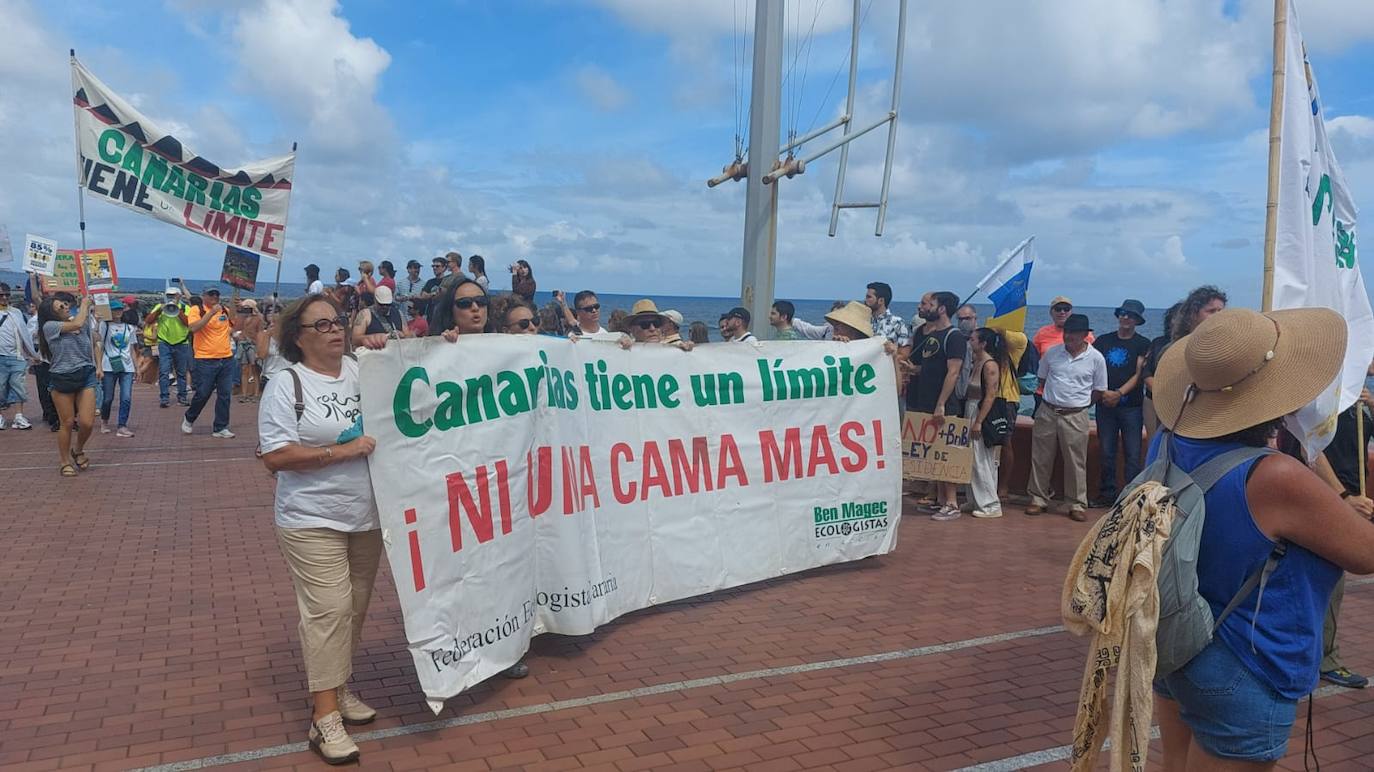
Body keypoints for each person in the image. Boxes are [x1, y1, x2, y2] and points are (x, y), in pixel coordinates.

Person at [1147, 306, 1374, 768]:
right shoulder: (1273, 475)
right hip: (1244, 658)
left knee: (1173, 761)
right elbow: (1365, 553)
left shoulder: (1167, 442)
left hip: (1175, 635)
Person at [258, 294, 393, 764]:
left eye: (338, 322)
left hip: (366, 516)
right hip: (310, 518)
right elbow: (274, 457)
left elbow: (422, 373)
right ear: (298, 336)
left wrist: (385, 345)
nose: (335, 330)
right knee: (329, 610)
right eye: (322, 325)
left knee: (353, 610)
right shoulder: (286, 384)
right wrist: (343, 450)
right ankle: (324, 718)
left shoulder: (365, 369)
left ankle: (339, 689)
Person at [1026, 313, 1106, 521]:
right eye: (1067, 331)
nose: (1069, 336)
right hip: (1048, 410)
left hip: (1075, 414)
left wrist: (1081, 405)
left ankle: (1076, 503)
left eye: (1074, 332)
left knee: (1076, 460)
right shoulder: (1052, 354)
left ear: (1084, 335)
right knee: (1041, 457)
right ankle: (1038, 498)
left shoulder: (1096, 358)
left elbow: (1099, 389)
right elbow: (1041, 378)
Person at [908, 291, 967, 520]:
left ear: (941, 308)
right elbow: (929, 367)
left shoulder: (954, 337)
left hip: (944, 405)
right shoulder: (927, 334)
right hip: (924, 400)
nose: (924, 307)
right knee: (933, 453)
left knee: (947, 455)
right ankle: (940, 499)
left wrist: (941, 403)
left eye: (929, 304)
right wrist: (912, 370)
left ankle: (952, 503)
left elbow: (953, 372)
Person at [1091, 299, 1152, 506]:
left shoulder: (1143, 343)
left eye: (1131, 315)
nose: (1126, 317)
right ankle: (1107, 495)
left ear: (1137, 320)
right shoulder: (1103, 341)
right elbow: (1094, 369)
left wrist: (1118, 393)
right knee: (1106, 452)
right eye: (1123, 313)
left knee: (1133, 454)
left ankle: (1130, 499)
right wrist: (1103, 393)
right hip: (1105, 406)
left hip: (1131, 407)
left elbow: (1139, 374)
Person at [38, 294, 99, 477]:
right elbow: (77, 325)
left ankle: (78, 449)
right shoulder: (50, 326)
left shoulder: (79, 320)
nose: (65, 308)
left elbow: (94, 338)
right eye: (60, 307)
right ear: (51, 313)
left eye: (65, 305)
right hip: (62, 377)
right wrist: (83, 306)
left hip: (85, 373)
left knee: (87, 422)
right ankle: (64, 461)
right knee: (67, 422)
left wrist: (92, 313)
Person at [182, 288, 238, 438]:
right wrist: (211, 313)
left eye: (217, 294)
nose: (215, 297)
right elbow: (193, 328)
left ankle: (220, 427)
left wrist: (235, 301)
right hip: (205, 359)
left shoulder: (224, 310)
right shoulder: (196, 309)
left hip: (226, 358)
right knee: (203, 393)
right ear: (204, 296)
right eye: (211, 294)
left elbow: (234, 325)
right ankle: (189, 417)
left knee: (225, 394)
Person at [965, 327, 1007, 518]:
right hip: (970, 408)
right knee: (971, 457)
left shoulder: (989, 365)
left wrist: (979, 421)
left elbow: (990, 395)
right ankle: (974, 498)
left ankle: (990, 503)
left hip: (979, 410)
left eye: (973, 339)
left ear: (983, 343)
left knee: (981, 457)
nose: (970, 341)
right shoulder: (975, 361)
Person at [1142, 302, 1182, 445]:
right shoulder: (1158, 342)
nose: (1177, 321)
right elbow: (1146, 371)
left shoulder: (1193, 344)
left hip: (1181, 404)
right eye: (1174, 317)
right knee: (1154, 443)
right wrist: (1160, 391)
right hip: (1153, 401)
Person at [98, 300, 139, 437]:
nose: (118, 312)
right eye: (115, 310)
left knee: (126, 397)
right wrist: (99, 366)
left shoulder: (130, 328)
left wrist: (137, 367)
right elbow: (99, 345)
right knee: (108, 397)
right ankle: (104, 420)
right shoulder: (105, 325)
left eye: (120, 309)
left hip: (127, 366)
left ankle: (122, 425)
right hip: (109, 365)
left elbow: (132, 348)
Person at [147, 286, 193, 408]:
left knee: (181, 372)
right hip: (164, 343)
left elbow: (188, 323)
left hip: (181, 343)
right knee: (164, 371)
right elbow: (148, 321)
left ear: (179, 296)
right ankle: (164, 398)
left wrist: (178, 310)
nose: (171, 298)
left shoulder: (186, 308)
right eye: (169, 296)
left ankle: (182, 397)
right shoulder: (160, 306)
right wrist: (159, 311)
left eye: (173, 295)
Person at [0, 282, 37, 430]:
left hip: (17, 357)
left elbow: (25, 335)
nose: (4, 297)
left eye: (7, 295)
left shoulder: (16, 312)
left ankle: (19, 416)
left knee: (19, 386)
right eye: (1, 295)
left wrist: (31, 354)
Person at [428, 278, 495, 337]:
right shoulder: (440, 346)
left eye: (481, 301)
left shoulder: (502, 342)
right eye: (465, 303)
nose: (475, 308)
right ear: (450, 312)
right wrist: (445, 344)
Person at [865, 282, 911, 355]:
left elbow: (904, 354)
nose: (865, 300)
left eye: (869, 297)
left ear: (881, 301)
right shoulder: (863, 320)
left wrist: (894, 351)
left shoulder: (898, 323)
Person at [235, 299, 265, 404]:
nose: (246, 309)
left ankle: (256, 394)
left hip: (253, 345)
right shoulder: (242, 317)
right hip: (243, 344)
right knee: (244, 369)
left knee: (255, 369)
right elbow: (236, 328)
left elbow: (261, 332)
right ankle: (244, 394)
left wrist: (259, 347)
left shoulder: (258, 318)